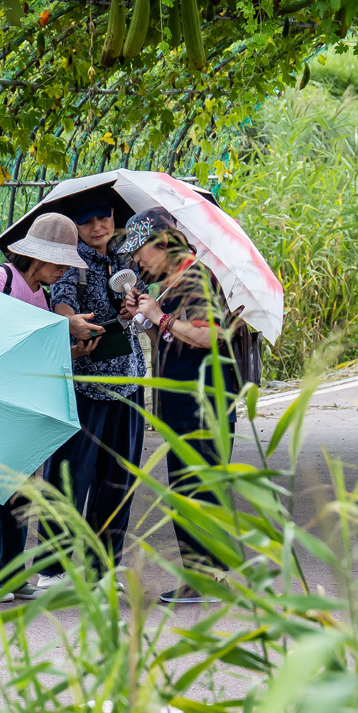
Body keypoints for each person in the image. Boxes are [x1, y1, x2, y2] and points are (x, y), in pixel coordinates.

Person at [0, 212, 104, 602]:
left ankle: (10, 576)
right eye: (58, 264)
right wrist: (60, 329)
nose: (61, 273)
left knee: (18, 492)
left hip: (19, 407)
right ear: (35, 257)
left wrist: (72, 350)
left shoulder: (41, 294)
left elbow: (34, 351)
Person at [113, 207, 242, 605]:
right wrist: (147, 320)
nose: (136, 261)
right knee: (186, 488)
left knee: (199, 488)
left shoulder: (195, 278)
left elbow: (213, 336)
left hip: (203, 401)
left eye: (141, 252)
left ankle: (210, 580)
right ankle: (201, 577)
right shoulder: (172, 282)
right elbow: (170, 343)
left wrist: (161, 318)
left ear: (163, 242)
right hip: (183, 401)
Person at [40, 200, 147, 579]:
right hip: (86, 384)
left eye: (103, 218)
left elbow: (146, 313)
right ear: (76, 227)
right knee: (70, 474)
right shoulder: (72, 262)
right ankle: (53, 569)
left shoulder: (127, 259)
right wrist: (73, 324)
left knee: (119, 477)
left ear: (114, 219)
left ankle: (103, 566)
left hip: (129, 380)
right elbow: (61, 304)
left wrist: (136, 310)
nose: (98, 227)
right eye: (87, 222)